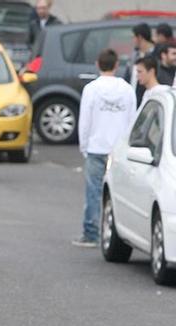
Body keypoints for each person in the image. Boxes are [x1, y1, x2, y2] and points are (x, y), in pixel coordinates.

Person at [74, 49, 136, 248]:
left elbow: (85, 121)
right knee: (118, 193)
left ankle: (91, 232)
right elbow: (131, 120)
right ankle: (117, 233)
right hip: (118, 149)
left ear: (97, 64)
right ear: (116, 65)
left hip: (96, 146)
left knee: (93, 191)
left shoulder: (92, 89)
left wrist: (84, 145)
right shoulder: (127, 89)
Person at [126, 23, 155, 105]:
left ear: (140, 37)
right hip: (132, 100)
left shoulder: (155, 55)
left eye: (134, 37)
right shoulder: (134, 55)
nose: (133, 40)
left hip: (147, 101)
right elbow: (128, 77)